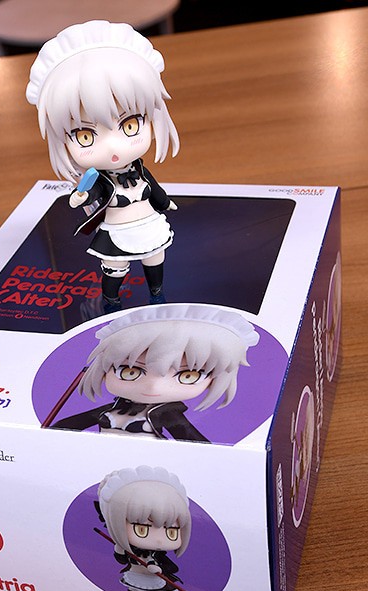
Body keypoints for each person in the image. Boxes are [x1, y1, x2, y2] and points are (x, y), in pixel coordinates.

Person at [26, 20, 180, 312]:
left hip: (147, 222)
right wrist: (80, 197)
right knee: (116, 266)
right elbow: (91, 195)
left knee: (155, 256)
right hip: (117, 230)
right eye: (85, 136)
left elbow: (154, 188)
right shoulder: (98, 178)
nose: (113, 147)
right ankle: (111, 300)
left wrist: (165, 202)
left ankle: (156, 292)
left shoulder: (139, 170)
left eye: (130, 125)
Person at [52, 304, 260, 442]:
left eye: (187, 376)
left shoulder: (168, 416)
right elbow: (66, 426)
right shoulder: (114, 408)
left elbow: (198, 445)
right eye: (130, 371)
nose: (153, 387)